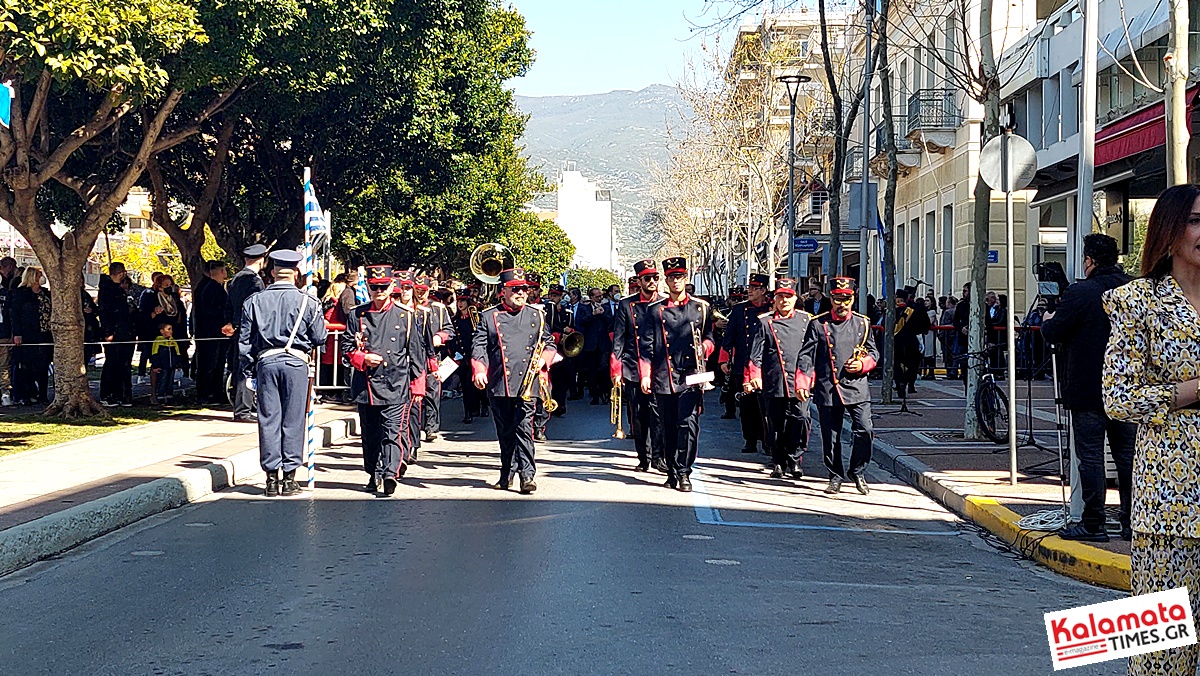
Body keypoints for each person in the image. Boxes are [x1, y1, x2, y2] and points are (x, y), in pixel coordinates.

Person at [1100, 185, 1200, 675]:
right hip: (1168, 505)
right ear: (1168, 230)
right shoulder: (1138, 303)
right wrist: (1191, 390)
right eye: (1198, 221)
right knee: (1162, 660)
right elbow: (1119, 398)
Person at [1041, 233, 1136, 542]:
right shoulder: (1137, 288)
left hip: (1088, 387)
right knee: (1128, 456)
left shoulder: (1081, 292)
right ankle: (1131, 522)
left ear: (1090, 261)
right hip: (1128, 387)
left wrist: (1047, 318)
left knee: (1091, 456)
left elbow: (1054, 331)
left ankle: (1093, 522)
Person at [238, 250, 327, 497]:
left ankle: (270, 478)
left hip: (266, 362)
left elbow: (244, 343)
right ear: (296, 272)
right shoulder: (308, 301)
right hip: (296, 363)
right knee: (294, 419)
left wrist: (248, 370)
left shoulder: (254, 301)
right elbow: (320, 337)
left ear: (272, 272)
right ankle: (289, 478)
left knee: (268, 419)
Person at [471, 268, 557, 494]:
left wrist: (543, 361)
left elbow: (549, 344)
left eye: (524, 289)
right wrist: (479, 370)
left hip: (528, 384)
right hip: (500, 382)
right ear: (503, 291)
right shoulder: (489, 316)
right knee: (505, 431)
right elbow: (479, 346)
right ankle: (506, 472)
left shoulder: (537, 315)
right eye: (516, 289)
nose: (521, 293)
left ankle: (527, 475)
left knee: (523, 429)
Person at [343, 265, 426, 496]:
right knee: (370, 435)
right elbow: (347, 349)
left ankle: (390, 473)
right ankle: (373, 472)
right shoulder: (357, 314)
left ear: (391, 287)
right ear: (368, 288)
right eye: (374, 287)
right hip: (367, 385)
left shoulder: (405, 315)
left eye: (383, 286)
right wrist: (362, 358)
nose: (379, 291)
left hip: (396, 383)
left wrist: (417, 384)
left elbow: (416, 352)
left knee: (392, 431)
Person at [638, 256, 714, 493]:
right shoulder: (654, 310)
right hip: (664, 375)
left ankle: (684, 471)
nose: (676, 281)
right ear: (667, 281)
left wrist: (705, 348)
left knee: (688, 424)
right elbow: (647, 346)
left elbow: (710, 337)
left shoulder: (701, 307)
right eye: (671, 277)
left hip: (692, 374)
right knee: (668, 426)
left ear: (685, 278)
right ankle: (671, 469)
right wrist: (645, 374)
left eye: (679, 276)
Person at [797, 276, 878, 495]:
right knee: (830, 436)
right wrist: (803, 382)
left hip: (856, 386)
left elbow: (873, 352)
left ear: (852, 299)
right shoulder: (818, 323)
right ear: (830, 298)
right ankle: (835, 475)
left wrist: (863, 364)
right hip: (828, 386)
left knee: (865, 430)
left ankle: (858, 471)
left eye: (846, 299)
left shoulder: (863, 322)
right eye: (837, 299)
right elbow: (806, 356)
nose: (841, 304)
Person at [746, 278, 813, 480]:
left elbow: (813, 351)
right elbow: (755, 353)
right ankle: (778, 461)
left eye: (788, 297)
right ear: (774, 299)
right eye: (780, 297)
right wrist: (754, 376)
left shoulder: (806, 320)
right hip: (774, 378)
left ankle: (795, 458)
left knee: (800, 418)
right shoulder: (765, 321)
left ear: (795, 299)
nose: (784, 301)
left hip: (799, 378)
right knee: (775, 423)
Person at [611, 259, 666, 473]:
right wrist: (616, 370)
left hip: (659, 368)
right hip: (633, 367)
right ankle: (644, 457)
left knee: (659, 414)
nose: (652, 282)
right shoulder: (627, 305)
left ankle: (659, 456)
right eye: (647, 278)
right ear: (639, 281)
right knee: (639, 415)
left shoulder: (664, 302)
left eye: (655, 278)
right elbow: (619, 339)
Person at [719, 272, 772, 454]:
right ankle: (750, 439)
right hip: (743, 361)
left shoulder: (772, 308)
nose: (750, 291)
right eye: (750, 287)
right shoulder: (740, 310)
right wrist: (724, 359)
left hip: (768, 364)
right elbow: (729, 336)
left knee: (766, 407)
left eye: (755, 288)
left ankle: (767, 441)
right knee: (747, 405)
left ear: (764, 290)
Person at [224, 244, 268, 422]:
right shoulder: (254, 281)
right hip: (249, 330)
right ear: (261, 260)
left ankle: (241, 406)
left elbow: (230, 305)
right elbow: (254, 307)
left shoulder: (235, 279)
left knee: (238, 367)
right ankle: (243, 409)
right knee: (246, 369)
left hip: (237, 328)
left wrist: (230, 322)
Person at [417, 275, 454, 443]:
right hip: (414, 356)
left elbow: (449, 329)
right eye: (417, 290)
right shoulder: (408, 308)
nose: (420, 294)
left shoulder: (438, 308)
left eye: (423, 291)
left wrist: (440, 336)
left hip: (433, 355)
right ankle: (414, 427)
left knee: (432, 392)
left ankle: (431, 427)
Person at [10, 267, 52, 406]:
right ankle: (26, 395)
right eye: (39, 275)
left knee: (43, 365)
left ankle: (43, 395)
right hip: (28, 334)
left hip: (45, 333)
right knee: (27, 366)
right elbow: (15, 315)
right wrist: (17, 333)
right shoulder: (21, 294)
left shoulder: (45, 293)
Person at [97, 262, 136, 407]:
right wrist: (108, 332)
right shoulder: (107, 291)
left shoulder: (118, 290)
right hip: (114, 332)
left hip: (124, 332)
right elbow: (105, 313)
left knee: (123, 364)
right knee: (112, 363)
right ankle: (107, 394)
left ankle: (121, 393)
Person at [192, 261, 229, 405]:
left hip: (212, 332)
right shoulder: (211, 289)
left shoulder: (214, 287)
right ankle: (208, 394)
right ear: (220, 272)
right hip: (212, 332)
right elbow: (213, 312)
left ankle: (214, 392)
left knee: (215, 363)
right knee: (210, 364)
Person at [577, 286, 613, 405]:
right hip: (590, 344)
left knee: (603, 368)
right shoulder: (584, 308)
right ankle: (595, 394)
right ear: (591, 297)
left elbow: (611, 321)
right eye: (597, 297)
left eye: (601, 296)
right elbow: (581, 322)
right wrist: (593, 314)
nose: (599, 298)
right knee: (591, 370)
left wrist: (602, 314)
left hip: (603, 343)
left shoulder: (606, 307)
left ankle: (605, 392)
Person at [452, 293, 483, 423]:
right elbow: (453, 339)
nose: (460, 304)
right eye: (458, 301)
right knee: (465, 386)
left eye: (463, 301)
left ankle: (482, 404)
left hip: (474, 355)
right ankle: (468, 412)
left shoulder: (475, 318)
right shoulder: (455, 320)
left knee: (476, 384)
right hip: (462, 357)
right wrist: (454, 353)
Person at [893, 288, 930, 396]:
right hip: (911, 341)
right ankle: (906, 382)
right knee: (913, 365)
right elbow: (923, 325)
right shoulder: (915, 310)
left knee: (896, 364)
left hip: (897, 342)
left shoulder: (892, 311)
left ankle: (899, 382)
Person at [543, 283, 572, 417]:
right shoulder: (547, 309)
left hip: (563, 349)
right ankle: (550, 404)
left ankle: (561, 404)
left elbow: (572, 326)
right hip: (551, 347)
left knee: (562, 378)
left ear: (561, 296)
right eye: (551, 295)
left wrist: (569, 331)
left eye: (556, 295)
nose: (553, 297)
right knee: (551, 378)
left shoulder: (567, 311)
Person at [150, 321, 184, 406]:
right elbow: (154, 353)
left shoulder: (173, 341)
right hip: (162, 366)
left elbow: (177, 353)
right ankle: (160, 397)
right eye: (168, 329)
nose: (171, 331)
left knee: (170, 381)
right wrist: (155, 365)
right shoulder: (158, 341)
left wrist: (178, 364)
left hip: (171, 366)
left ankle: (170, 397)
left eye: (171, 329)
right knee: (163, 381)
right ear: (162, 331)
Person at [0, 260, 11, 406]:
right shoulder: (6, 294)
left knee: (4, 365)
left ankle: (5, 392)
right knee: (4, 366)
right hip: (4, 333)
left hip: (4, 333)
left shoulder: (7, 294)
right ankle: (5, 393)